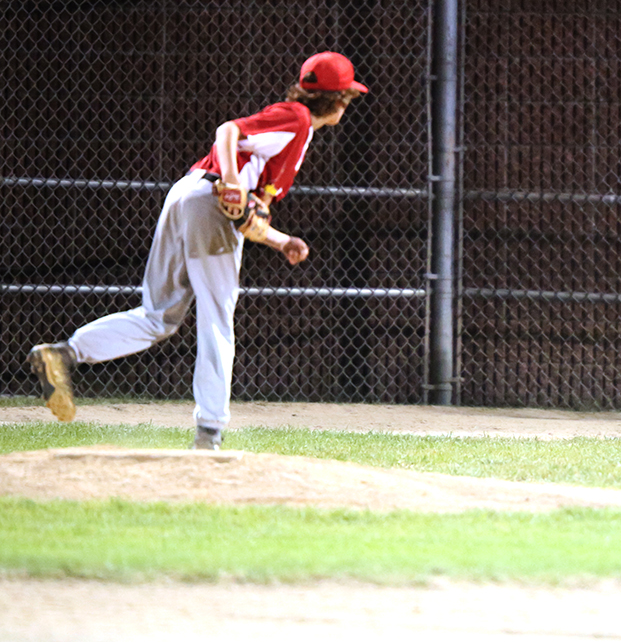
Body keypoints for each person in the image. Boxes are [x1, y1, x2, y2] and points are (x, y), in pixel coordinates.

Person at [27, 51, 368, 450]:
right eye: (346, 96)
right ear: (338, 99)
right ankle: (210, 431)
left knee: (158, 316)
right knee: (217, 319)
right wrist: (231, 181)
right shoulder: (295, 118)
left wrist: (280, 240)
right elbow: (227, 132)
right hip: (206, 199)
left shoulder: (296, 131)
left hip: (187, 194)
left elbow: (245, 216)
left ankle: (64, 354)